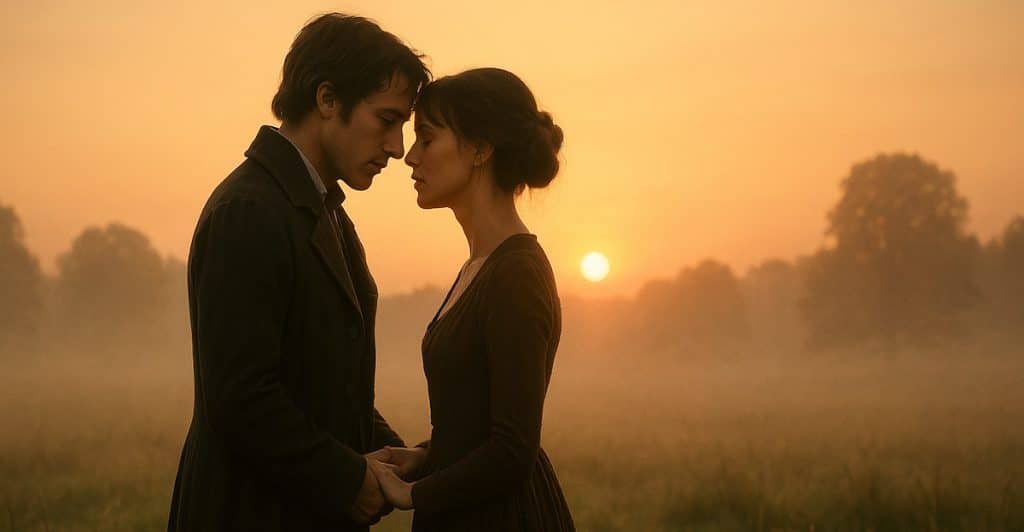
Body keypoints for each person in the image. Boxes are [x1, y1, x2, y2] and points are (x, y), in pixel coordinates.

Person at [167, 13, 430, 532]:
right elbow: (240, 396)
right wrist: (347, 479)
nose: (397, 147)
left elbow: (327, 384)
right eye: (386, 119)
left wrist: (389, 458)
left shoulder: (320, 207)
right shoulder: (249, 210)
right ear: (327, 99)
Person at [368, 68, 576, 531]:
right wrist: (426, 457)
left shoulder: (516, 274)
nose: (410, 156)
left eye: (427, 138)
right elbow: (476, 421)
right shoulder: (480, 266)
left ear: (481, 149)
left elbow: (513, 448)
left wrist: (412, 494)